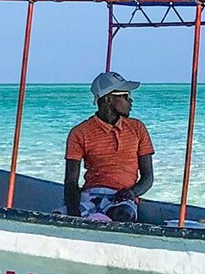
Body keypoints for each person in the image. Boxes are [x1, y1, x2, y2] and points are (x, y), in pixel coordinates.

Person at [64, 72, 155, 223]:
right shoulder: (80, 133)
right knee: (59, 215)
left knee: (123, 215)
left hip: (123, 197)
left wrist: (132, 193)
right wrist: (74, 216)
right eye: (125, 96)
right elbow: (71, 182)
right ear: (108, 99)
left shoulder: (138, 128)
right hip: (90, 195)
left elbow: (148, 178)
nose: (130, 101)